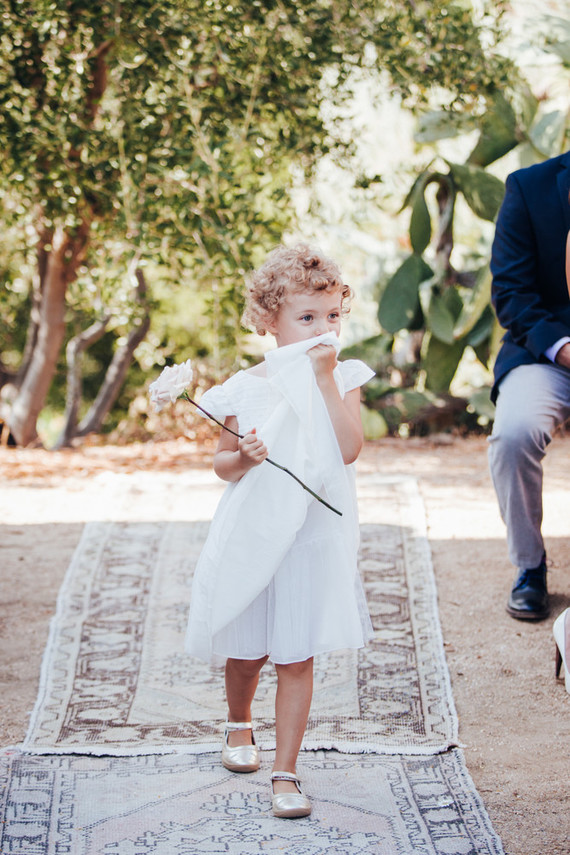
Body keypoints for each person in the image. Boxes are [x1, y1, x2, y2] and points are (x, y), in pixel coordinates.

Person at [185, 243, 374, 817]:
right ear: (270, 320)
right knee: (248, 650)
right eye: (306, 317)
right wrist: (243, 456)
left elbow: (348, 449)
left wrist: (323, 383)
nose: (323, 329)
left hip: (312, 533)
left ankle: (285, 772)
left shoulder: (343, 378)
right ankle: (239, 722)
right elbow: (221, 465)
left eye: (332, 315)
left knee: (296, 654)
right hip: (255, 528)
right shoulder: (244, 387)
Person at [488, 151, 570, 621]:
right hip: (546, 351)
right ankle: (530, 566)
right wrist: (561, 348)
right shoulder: (528, 186)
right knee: (514, 433)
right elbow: (512, 292)